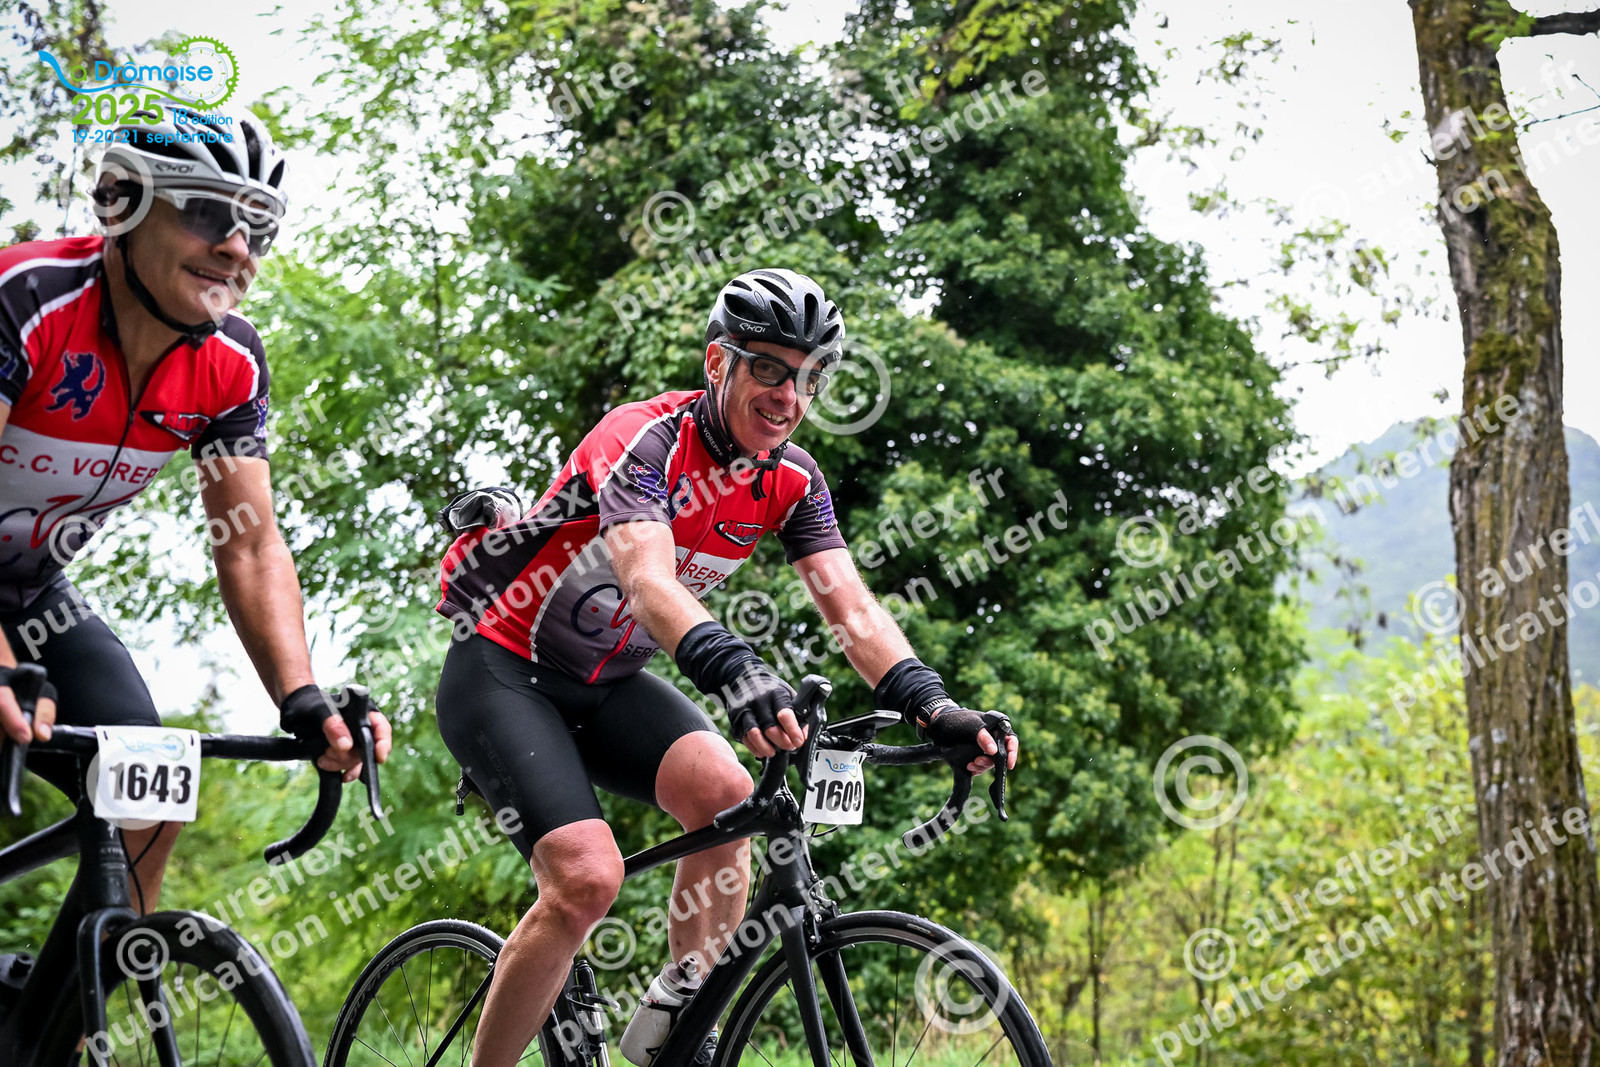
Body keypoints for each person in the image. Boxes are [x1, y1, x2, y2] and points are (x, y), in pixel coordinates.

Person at [434, 267, 1019, 1066]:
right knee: (586, 880)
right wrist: (736, 669)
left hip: (607, 684)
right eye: (770, 367)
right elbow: (647, 582)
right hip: (503, 669)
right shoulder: (643, 439)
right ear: (719, 363)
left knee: (729, 794)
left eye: (809, 377)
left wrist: (933, 705)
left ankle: (674, 1025)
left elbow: (851, 607)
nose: (788, 394)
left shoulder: (791, 478)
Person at [0, 101, 391, 914]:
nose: (237, 248)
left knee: (150, 783)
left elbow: (248, 544)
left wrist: (301, 695)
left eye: (258, 228)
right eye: (209, 214)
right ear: (121, 205)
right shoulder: (25, 299)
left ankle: (93, 992)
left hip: (32, 594)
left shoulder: (231, 365)